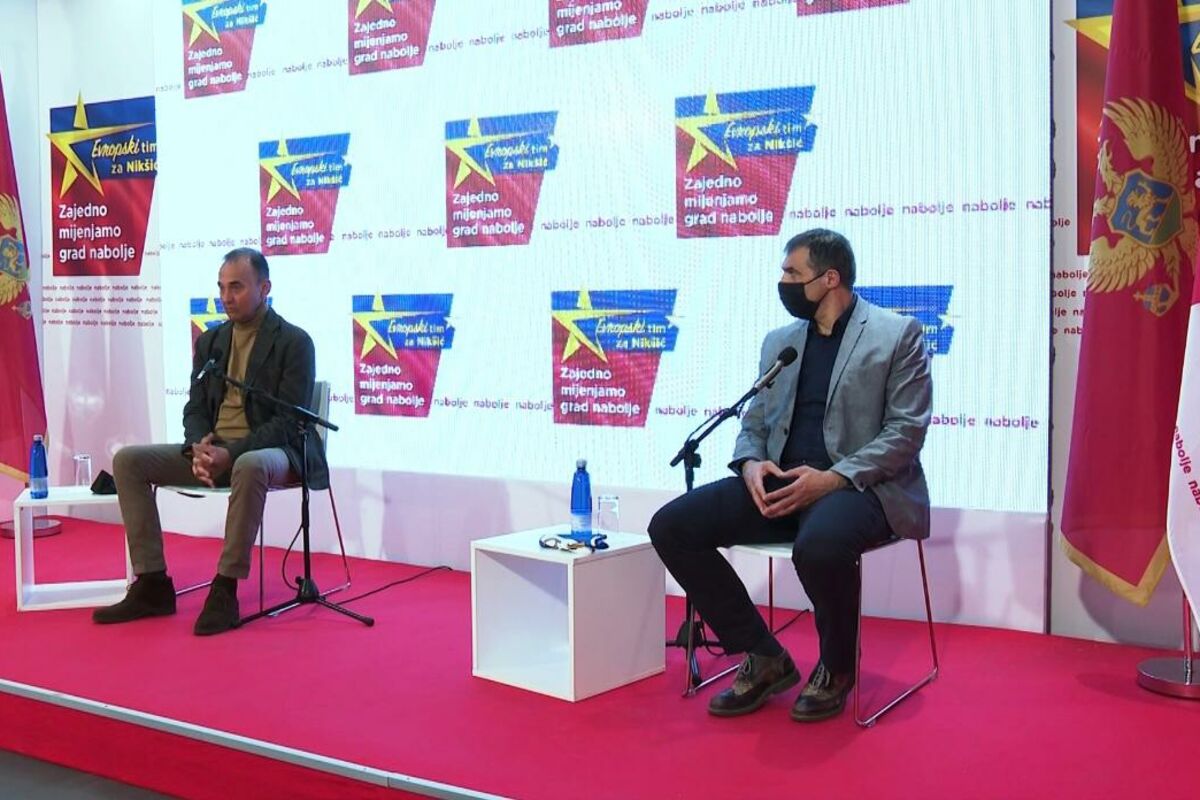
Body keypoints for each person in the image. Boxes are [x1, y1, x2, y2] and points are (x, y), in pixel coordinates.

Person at [649, 229, 931, 721]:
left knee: (819, 547)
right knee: (672, 526)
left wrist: (832, 478)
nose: (783, 282)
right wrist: (751, 464)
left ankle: (837, 667)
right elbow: (754, 421)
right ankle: (763, 655)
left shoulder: (896, 334)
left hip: (859, 487)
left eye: (792, 273)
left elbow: (906, 432)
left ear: (830, 278)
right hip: (782, 484)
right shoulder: (780, 342)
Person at [93, 247, 328, 635]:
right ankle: (152, 584)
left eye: (236, 287)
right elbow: (195, 406)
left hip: (275, 452)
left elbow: (288, 422)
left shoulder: (294, 342)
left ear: (265, 288)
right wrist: (196, 448)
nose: (226, 297)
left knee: (249, 464)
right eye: (221, 287)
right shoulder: (211, 341)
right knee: (128, 460)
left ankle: (225, 588)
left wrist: (229, 454)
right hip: (215, 450)